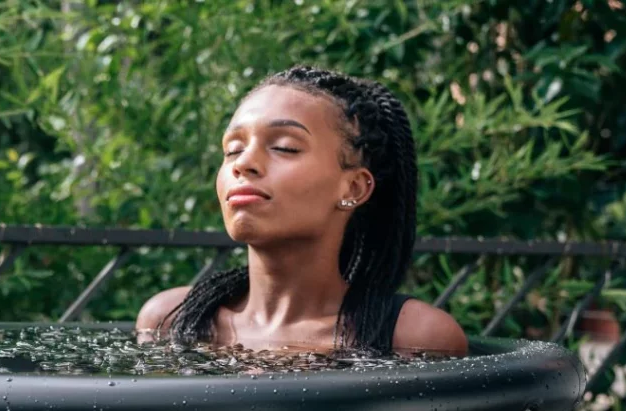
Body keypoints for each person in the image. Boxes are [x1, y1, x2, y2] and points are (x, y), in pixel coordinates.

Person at [136, 65, 467, 356]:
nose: (244, 163)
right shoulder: (171, 321)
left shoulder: (413, 338)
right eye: (232, 149)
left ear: (354, 188)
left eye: (284, 147)